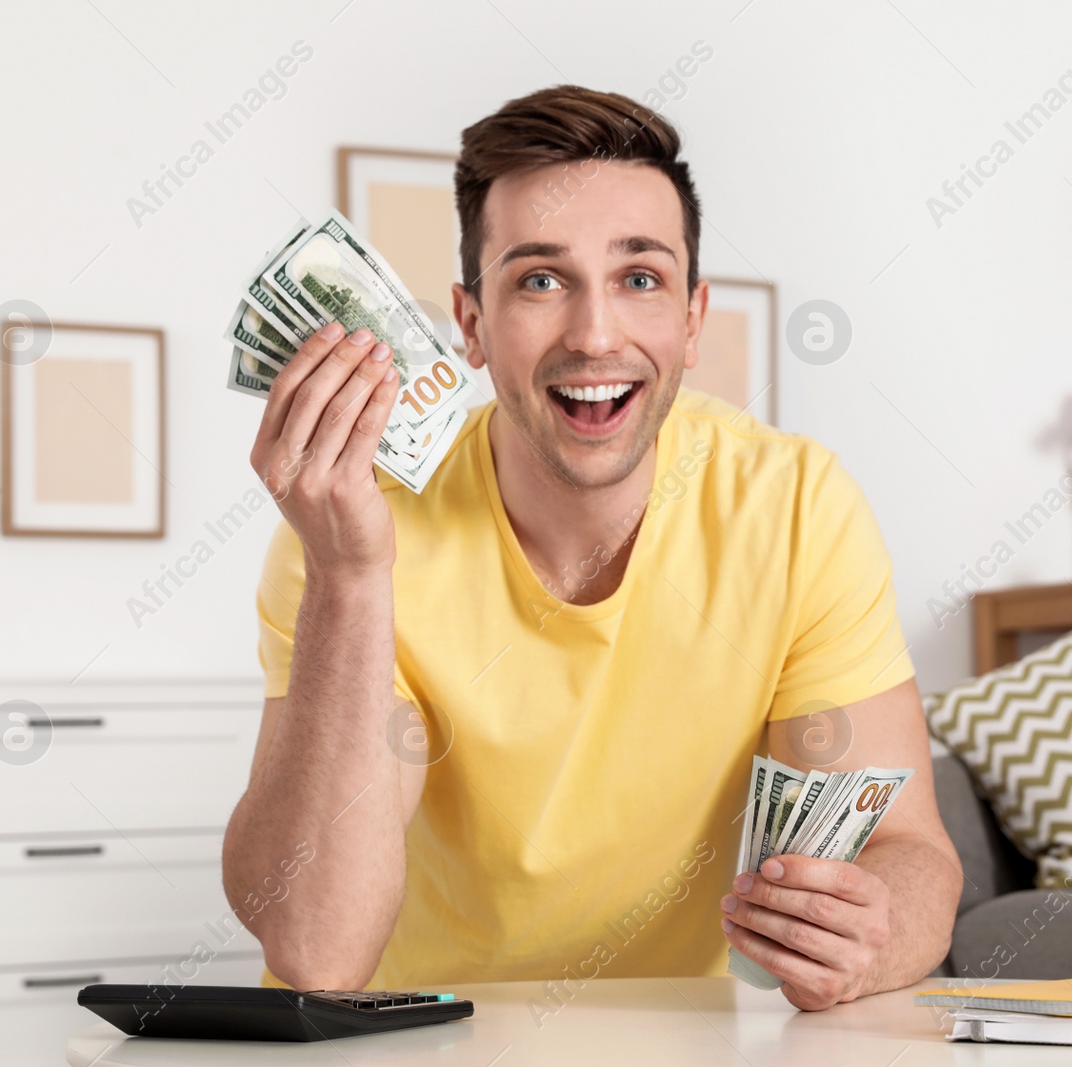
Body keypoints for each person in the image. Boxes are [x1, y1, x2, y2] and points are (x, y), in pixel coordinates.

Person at [221, 84, 962, 1012]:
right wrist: (349, 576)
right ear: (472, 324)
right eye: (539, 279)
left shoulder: (798, 508)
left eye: (639, 278)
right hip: (411, 1041)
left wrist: (870, 932)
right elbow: (319, 950)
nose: (595, 333)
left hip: (668, 1043)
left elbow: (911, 852)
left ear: (693, 320)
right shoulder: (350, 528)